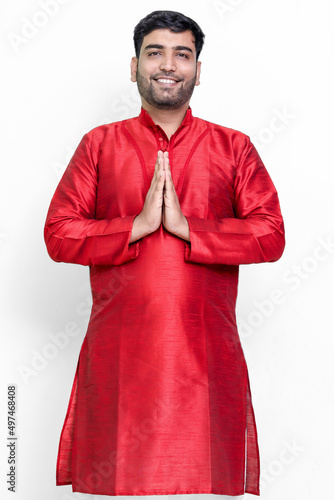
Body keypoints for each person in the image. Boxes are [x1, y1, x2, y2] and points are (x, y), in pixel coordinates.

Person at [44, 10, 285, 498]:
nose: (168, 64)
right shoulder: (99, 145)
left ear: (199, 69)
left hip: (205, 359)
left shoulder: (233, 147)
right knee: (117, 486)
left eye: (183, 54)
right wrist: (133, 228)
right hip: (120, 360)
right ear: (133, 66)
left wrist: (187, 228)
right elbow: (59, 233)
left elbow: (270, 234)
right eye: (155, 52)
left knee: (203, 489)